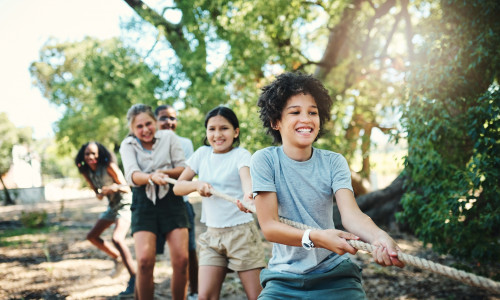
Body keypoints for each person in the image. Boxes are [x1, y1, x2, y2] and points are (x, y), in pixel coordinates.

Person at [251, 72, 405, 299]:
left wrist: (379, 237)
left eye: (312, 112)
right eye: (295, 112)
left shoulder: (334, 162)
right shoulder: (265, 161)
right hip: (283, 279)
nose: (306, 119)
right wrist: (317, 238)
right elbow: (270, 227)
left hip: (335, 275)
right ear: (276, 121)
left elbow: (352, 216)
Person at [173, 106, 266, 300]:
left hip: (241, 234)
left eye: (224, 128)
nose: (217, 134)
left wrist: (248, 196)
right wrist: (196, 184)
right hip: (212, 237)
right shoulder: (201, 154)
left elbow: (247, 181)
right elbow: (178, 187)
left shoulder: (241, 155)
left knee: (257, 296)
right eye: (211, 129)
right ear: (206, 132)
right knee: (205, 297)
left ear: (236, 132)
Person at [119, 104, 189, 300]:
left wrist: (163, 174)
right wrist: (151, 177)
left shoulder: (169, 137)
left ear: (155, 122)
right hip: (143, 201)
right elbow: (132, 175)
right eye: (139, 126)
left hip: (171, 200)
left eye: (148, 123)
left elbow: (183, 169)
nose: (145, 129)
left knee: (182, 260)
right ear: (132, 129)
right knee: (144, 261)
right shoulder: (127, 145)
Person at [74, 141, 136, 296]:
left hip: (125, 203)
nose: (91, 157)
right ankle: (117, 258)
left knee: (117, 239)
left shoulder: (109, 166)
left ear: (100, 154)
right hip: (112, 206)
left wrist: (112, 188)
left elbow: (127, 187)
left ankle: (135, 279)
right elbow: (98, 195)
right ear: (83, 156)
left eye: (94, 153)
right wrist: (100, 193)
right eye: (87, 154)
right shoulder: (86, 171)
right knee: (92, 236)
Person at [155, 104, 199, 300]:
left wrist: (160, 172)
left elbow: (185, 174)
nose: (169, 122)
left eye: (173, 118)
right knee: (147, 257)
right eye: (164, 118)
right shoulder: (149, 142)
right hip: (155, 205)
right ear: (155, 121)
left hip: (182, 204)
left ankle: (195, 291)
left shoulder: (185, 142)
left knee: (189, 253)